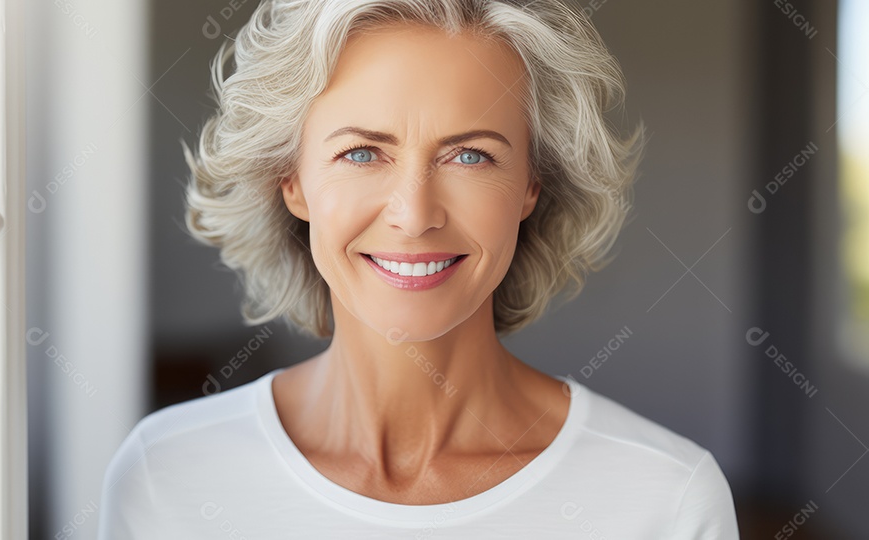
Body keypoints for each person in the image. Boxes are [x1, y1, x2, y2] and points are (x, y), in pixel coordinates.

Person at [99, 0, 739, 537]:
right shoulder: (166, 475)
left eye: (470, 157)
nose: (414, 214)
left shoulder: (665, 499)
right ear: (291, 182)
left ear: (530, 186)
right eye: (361, 154)